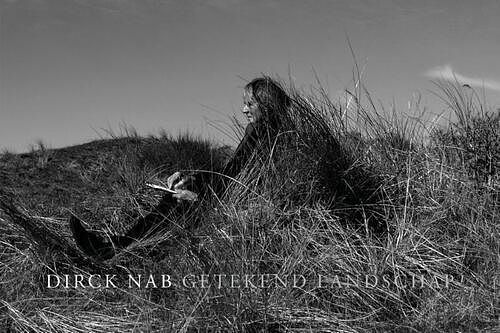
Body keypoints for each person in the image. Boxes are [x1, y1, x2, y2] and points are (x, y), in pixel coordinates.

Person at [70, 77, 292, 260]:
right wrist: (193, 178)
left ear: (267, 105)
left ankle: (120, 250)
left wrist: (201, 200)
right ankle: (120, 248)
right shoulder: (261, 132)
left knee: (176, 203)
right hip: (221, 199)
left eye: (250, 104)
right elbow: (232, 176)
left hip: (229, 210)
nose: (243, 109)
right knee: (176, 195)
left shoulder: (274, 141)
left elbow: (251, 192)